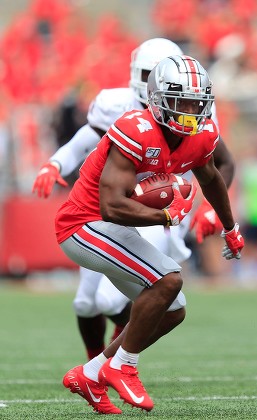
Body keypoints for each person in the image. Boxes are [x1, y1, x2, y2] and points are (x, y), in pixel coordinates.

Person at [55, 54, 244, 414]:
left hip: (112, 228)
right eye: (181, 101)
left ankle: (90, 375)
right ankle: (122, 365)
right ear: (158, 99)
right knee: (168, 280)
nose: (190, 111)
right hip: (83, 224)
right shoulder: (135, 128)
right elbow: (111, 206)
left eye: (197, 102)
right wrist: (166, 216)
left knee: (173, 309)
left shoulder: (201, 136)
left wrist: (230, 228)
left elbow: (212, 180)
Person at [32, 38, 196, 361]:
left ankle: (113, 362)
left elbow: (205, 163)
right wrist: (55, 164)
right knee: (85, 302)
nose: (157, 81)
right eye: (151, 72)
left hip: (149, 212)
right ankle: (96, 361)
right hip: (105, 211)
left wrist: (185, 213)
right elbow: (83, 140)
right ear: (138, 73)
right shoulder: (116, 104)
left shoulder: (184, 111)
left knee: (109, 301)